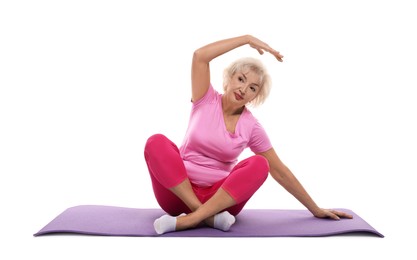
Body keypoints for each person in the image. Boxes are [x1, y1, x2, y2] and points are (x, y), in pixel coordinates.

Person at [144, 35, 353, 235]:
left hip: (220, 202)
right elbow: (200, 56)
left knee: (261, 163)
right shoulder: (204, 98)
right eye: (241, 79)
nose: (243, 89)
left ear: (255, 96)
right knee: (156, 142)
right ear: (229, 78)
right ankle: (205, 217)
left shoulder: (252, 127)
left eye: (252, 88)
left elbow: (280, 171)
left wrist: (315, 209)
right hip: (177, 195)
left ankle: (190, 220)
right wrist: (247, 39)